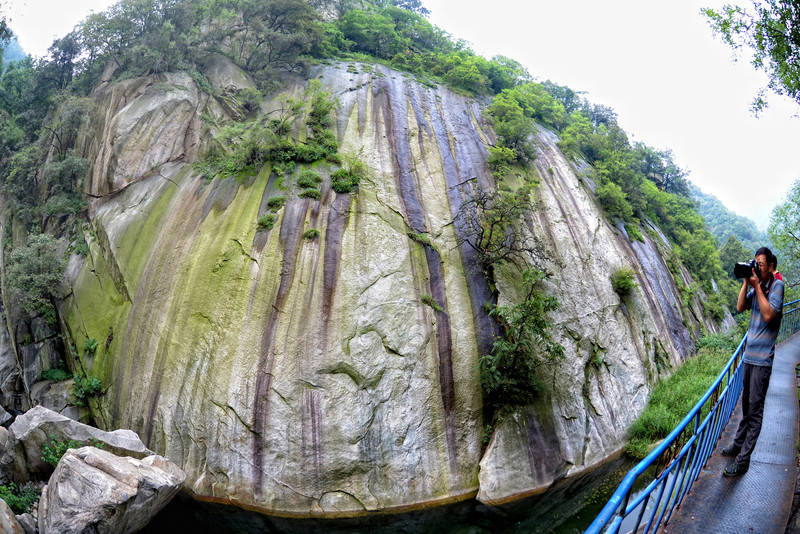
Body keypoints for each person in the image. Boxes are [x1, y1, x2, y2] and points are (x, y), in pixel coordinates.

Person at [721, 247, 784, 476]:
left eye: (761, 264)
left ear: (771, 266)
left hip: (762, 360)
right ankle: (737, 445)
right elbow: (740, 307)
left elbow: (769, 315)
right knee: (746, 405)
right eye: (755, 264)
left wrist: (757, 286)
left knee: (755, 411)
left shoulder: (776, 286)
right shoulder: (757, 285)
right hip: (749, 356)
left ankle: (743, 460)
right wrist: (746, 282)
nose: (757, 267)